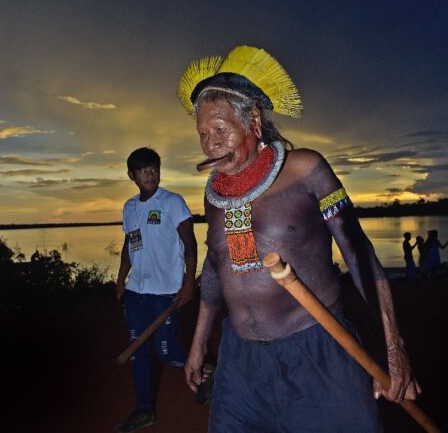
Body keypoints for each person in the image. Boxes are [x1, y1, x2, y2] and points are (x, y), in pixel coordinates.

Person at [177, 45, 420, 432]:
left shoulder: (307, 170)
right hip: (240, 363)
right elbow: (216, 266)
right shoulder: (215, 195)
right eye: (203, 134)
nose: (209, 144)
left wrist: (394, 348)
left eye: (219, 130)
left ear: (253, 121)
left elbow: (360, 257)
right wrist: (198, 343)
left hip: (316, 350)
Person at [115, 147, 198, 433]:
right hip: (136, 293)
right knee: (139, 353)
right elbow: (129, 244)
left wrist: (188, 283)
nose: (150, 174)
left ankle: (209, 369)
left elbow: (190, 244)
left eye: (154, 168)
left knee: (167, 352)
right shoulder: (129, 207)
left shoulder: (172, 202)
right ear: (132, 175)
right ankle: (144, 411)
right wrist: (120, 279)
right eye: (143, 170)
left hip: (165, 293)